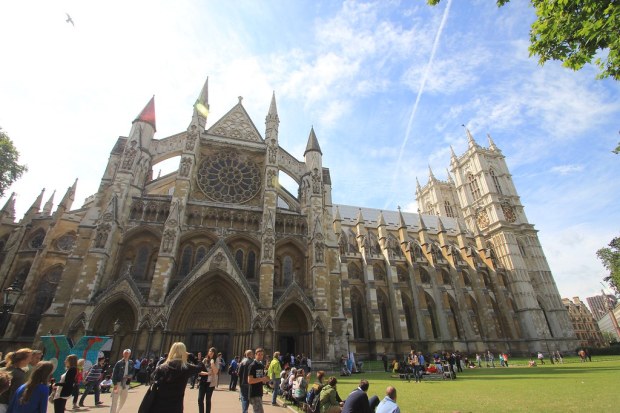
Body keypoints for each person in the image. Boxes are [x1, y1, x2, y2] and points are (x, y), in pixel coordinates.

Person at [149, 342, 205, 413]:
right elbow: (201, 366)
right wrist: (191, 356)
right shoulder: (186, 368)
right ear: (184, 352)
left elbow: (152, 379)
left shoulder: (162, 367)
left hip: (159, 405)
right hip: (176, 407)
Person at [0, 349, 33, 413]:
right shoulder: (19, 375)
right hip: (4, 406)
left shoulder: (2, 369)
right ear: (23, 360)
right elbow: (14, 396)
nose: (30, 360)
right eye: (29, 358)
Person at [247, 348, 269, 413]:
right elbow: (250, 380)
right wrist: (261, 379)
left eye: (262, 355)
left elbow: (260, 378)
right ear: (255, 355)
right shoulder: (252, 365)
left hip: (259, 392)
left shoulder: (261, 365)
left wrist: (265, 379)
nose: (260, 356)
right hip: (254, 393)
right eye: (259, 354)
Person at [197, 348, 217, 413]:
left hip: (210, 383)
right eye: (210, 351)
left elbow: (216, 372)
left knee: (208, 400)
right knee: (200, 399)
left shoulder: (216, 361)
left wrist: (212, 363)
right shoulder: (205, 360)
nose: (211, 353)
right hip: (203, 382)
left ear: (214, 354)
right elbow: (199, 371)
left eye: (213, 352)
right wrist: (207, 373)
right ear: (208, 352)